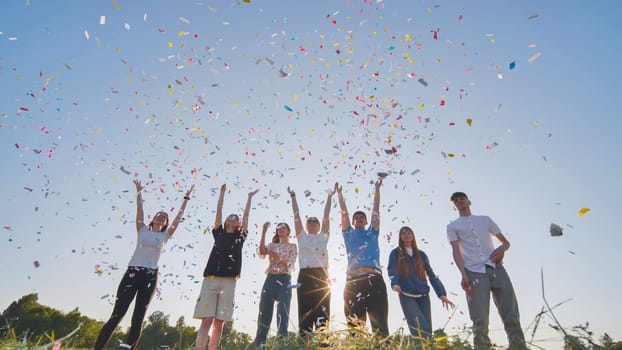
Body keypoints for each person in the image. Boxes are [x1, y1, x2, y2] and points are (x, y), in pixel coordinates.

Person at [94, 179, 193, 350]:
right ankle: (97, 348)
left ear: (166, 223)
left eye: (165, 217)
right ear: (153, 219)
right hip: (132, 273)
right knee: (117, 314)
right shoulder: (142, 230)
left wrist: (186, 198)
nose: (162, 217)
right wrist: (139, 192)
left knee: (138, 317)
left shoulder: (165, 236)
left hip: (150, 276)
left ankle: (129, 348)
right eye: (159, 215)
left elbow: (178, 217)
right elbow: (139, 210)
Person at [447, 192, 527, 350]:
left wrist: (501, 249)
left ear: (469, 201)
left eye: (462, 198)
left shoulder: (485, 220)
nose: (460, 202)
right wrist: (463, 274)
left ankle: (518, 346)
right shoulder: (452, 226)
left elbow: (506, 242)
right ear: (454, 207)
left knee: (510, 312)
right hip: (474, 272)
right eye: (456, 201)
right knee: (479, 318)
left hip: (496, 268)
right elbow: (456, 252)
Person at [193, 184, 258, 350]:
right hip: (211, 279)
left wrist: (249, 198)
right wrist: (221, 193)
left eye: (236, 219)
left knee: (219, 322)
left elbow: (246, 216)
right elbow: (218, 213)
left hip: (229, 281)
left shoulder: (240, 236)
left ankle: (213, 348)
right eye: (231, 217)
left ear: (238, 224)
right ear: (226, 221)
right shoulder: (219, 233)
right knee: (206, 319)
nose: (233, 219)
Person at [336, 178, 389, 338]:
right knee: (354, 324)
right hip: (353, 280)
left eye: (362, 217)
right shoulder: (348, 233)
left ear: (366, 221)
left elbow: (376, 211)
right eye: (356, 218)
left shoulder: (372, 232)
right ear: (353, 221)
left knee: (379, 322)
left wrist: (377, 189)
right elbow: (344, 214)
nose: (359, 219)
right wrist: (339, 195)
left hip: (374, 278)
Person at [387, 226, 455, 347]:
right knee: (420, 329)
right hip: (407, 295)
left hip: (423, 296)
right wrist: (395, 283)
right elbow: (392, 271)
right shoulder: (396, 253)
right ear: (400, 237)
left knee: (427, 330)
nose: (406, 235)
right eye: (403, 233)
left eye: (409, 233)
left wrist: (442, 294)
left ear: (413, 236)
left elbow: (431, 275)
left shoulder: (421, 255)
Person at [287, 184, 336, 336]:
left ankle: (323, 343)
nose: (313, 223)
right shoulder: (302, 237)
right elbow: (296, 215)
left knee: (323, 312)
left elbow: (326, 216)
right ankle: (304, 342)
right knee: (305, 314)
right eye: (310, 221)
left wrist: (329, 196)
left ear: (319, 225)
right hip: (305, 275)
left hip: (322, 275)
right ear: (307, 225)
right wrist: (293, 197)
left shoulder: (323, 236)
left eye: (315, 221)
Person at [254, 221, 298, 349]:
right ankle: (260, 346)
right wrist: (263, 231)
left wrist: (277, 256)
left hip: (285, 280)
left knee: (282, 314)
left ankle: (281, 345)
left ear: (288, 231)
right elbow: (262, 251)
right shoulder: (272, 245)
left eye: (283, 227)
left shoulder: (292, 247)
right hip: (270, 280)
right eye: (278, 228)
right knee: (264, 314)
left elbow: (290, 265)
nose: (280, 229)